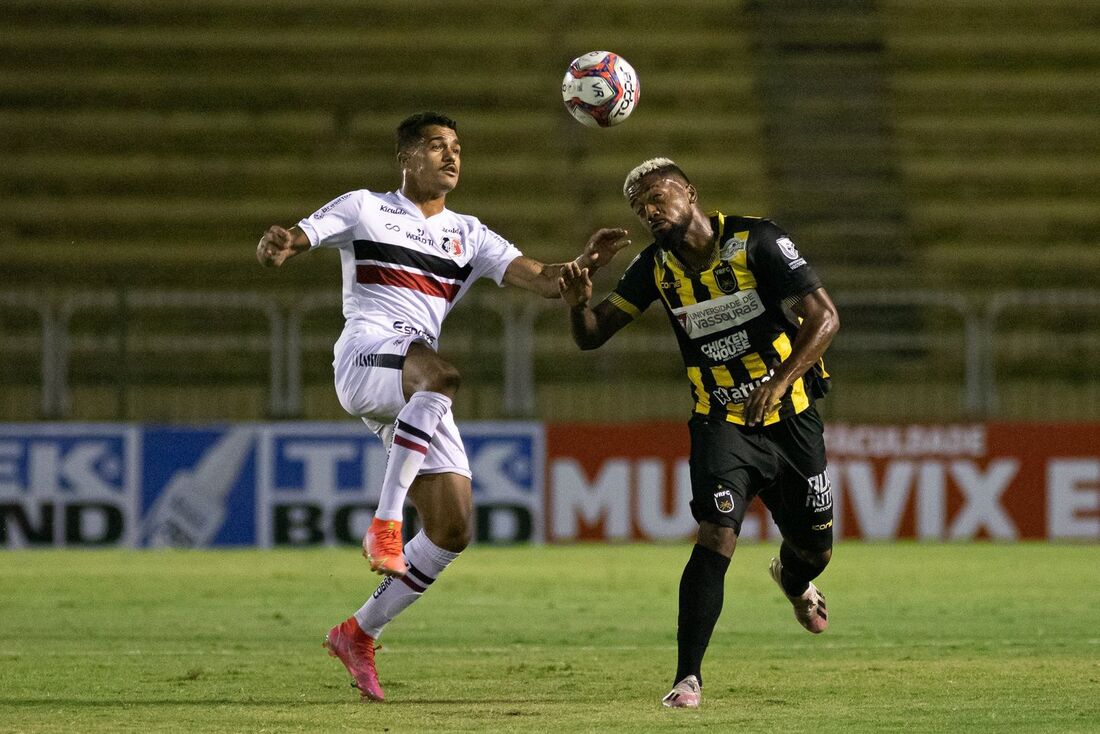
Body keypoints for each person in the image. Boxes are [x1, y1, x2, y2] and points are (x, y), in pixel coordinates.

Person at [256, 111, 627, 702]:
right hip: (369, 354)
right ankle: (384, 526)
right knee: (444, 373)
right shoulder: (364, 207)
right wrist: (284, 245)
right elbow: (303, 236)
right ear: (406, 158)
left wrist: (581, 269)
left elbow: (541, 277)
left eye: (456, 147)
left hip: (413, 383)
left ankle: (357, 633)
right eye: (436, 147)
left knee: (453, 529)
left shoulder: (470, 234)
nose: (451, 157)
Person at [558, 157, 840, 709]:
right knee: (716, 535)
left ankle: (792, 576)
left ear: (689, 191)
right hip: (720, 420)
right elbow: (592, 337)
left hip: (792, 415)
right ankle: (688, 677)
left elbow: (824, 318)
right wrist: (577, 304)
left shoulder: (756, 240)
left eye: (657, 196)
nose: (649, 210)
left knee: (816, 548)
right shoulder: (653, 269)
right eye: (640, 207)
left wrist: (780, 382)